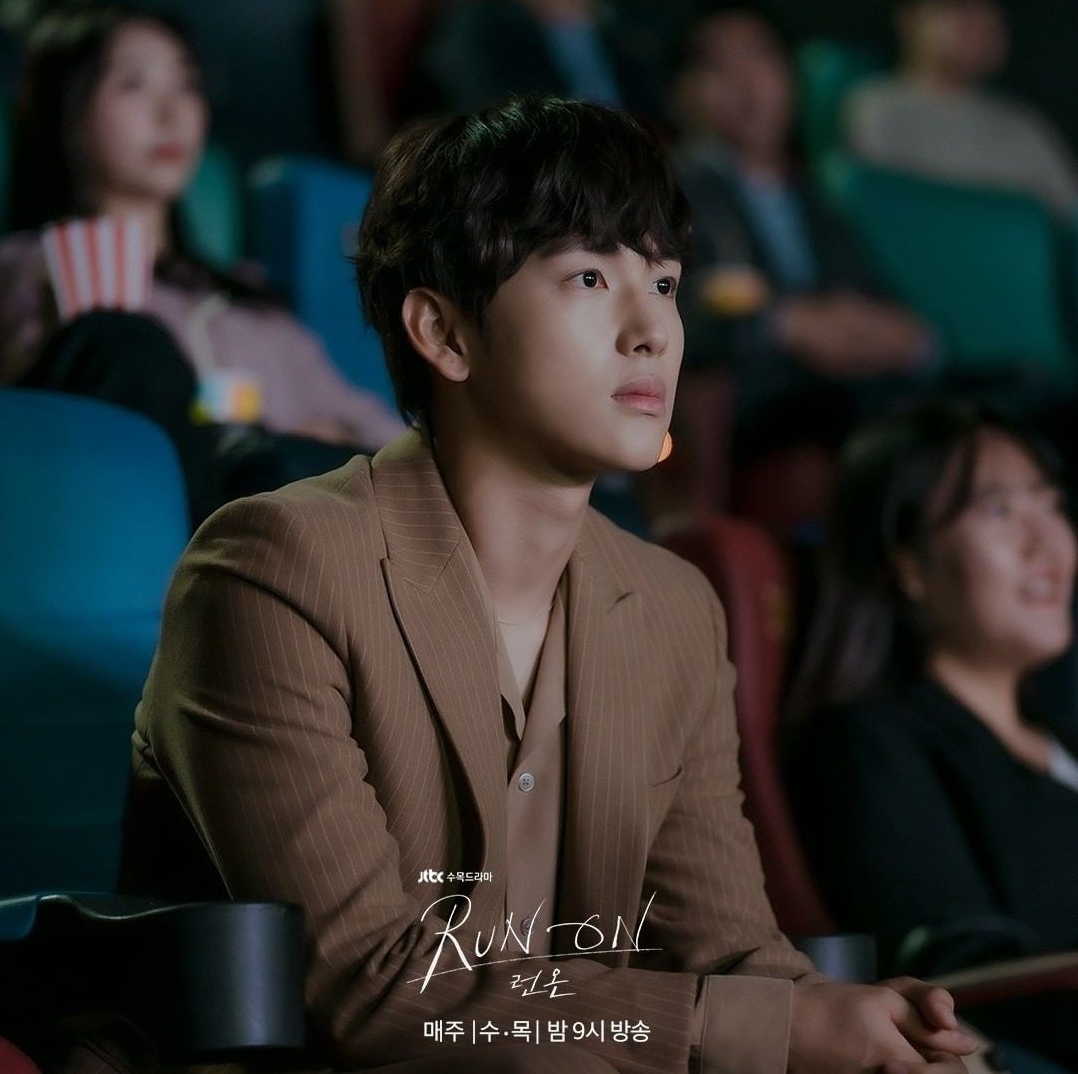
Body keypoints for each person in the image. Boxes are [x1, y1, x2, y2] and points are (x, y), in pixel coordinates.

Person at [97, 97, 983, 1074]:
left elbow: (730, 956)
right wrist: (759, 1028)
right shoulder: (272, 569)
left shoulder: (675, 607)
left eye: (665, 283)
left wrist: (865, 1030)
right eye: (591, 277)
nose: (651, 331)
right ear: (445, 332)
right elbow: (368, 991)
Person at [0, 3, 404, 523]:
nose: (170, 112)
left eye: (187, 85)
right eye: (133, 84)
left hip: (293, 512)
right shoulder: (28, 268)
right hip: (130, 516)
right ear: (66, 110)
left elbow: (362, 420)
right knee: (120, 341)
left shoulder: (249, 300)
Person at [787, 399, 1078, 1071]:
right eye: (1000, 510)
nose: (1049, 544)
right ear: (909, 565)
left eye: (1053, 506)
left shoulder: (1060, 735)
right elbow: (956, 971)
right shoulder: (872, 740)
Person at [670, 1, 935, 469]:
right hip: (764, 408)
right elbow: (676, 310)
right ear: (683, 93)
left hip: (858, 393)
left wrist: (911, 338)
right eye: (716, 66)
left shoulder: (820, 199)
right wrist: (785, 324)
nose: (744, 82)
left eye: (758, 57)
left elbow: (886, 302)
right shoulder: (674, 192)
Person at [847, 0, 1078, 214]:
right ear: (909, 20)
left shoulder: (1023, 123)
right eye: (960, 9)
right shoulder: (879, 108)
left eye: (988, 12)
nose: (979, 23)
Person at [406, 0, 663, 125]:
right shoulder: (477, 21)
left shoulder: (617, 20)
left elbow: (653, 104)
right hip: (538, 171)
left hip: (628, 162)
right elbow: (480, 112)